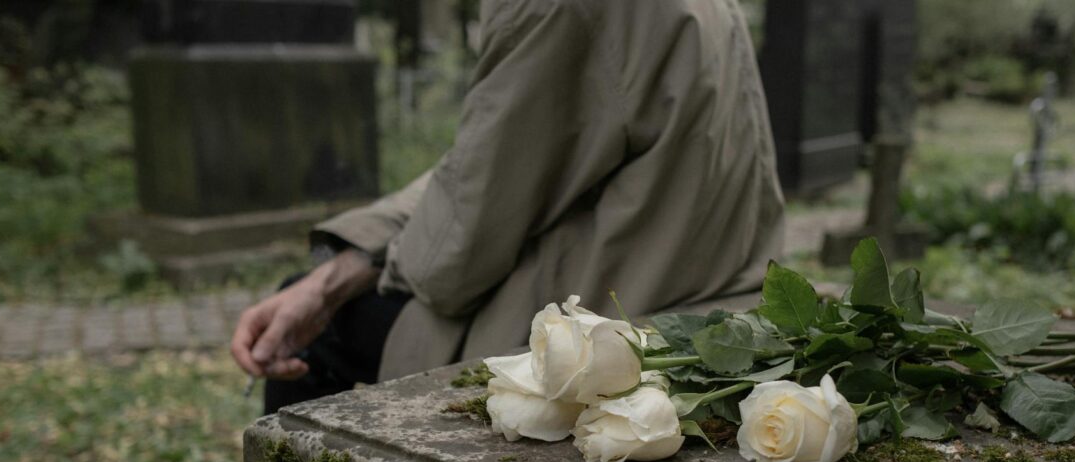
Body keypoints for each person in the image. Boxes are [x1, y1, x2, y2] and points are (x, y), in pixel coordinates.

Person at [231, 0, 786, 414]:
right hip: (708, 293)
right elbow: (495, 173)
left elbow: (451, 259)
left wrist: (330, 282)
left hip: (612, 321)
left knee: (313, 329)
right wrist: (344, 264)